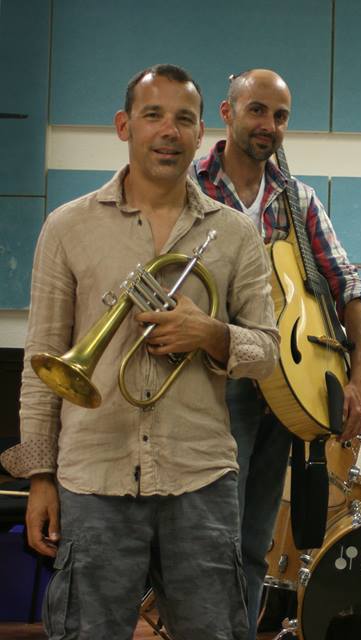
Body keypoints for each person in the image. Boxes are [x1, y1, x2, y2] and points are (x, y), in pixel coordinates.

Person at [0, 64, 279, 639]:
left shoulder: (234, 234)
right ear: (125, 125)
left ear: (203, 133)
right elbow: (42, 365)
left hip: (200, 476)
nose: (168, 131)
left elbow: (269, 352)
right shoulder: (67, 227)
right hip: (93, 476)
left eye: (184, 119)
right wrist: (40, 477)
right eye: (153, 115)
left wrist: (212, 335)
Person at [190, 68, 361, 638]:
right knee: (209, 540)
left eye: (281, 116)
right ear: (226, 112)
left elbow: (348, 286)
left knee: (253, 542)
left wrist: (359, 380)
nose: (270, 126)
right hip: (212, 384)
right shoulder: (190, 186)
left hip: (287, 384)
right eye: (257, 111)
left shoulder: (297, 198)